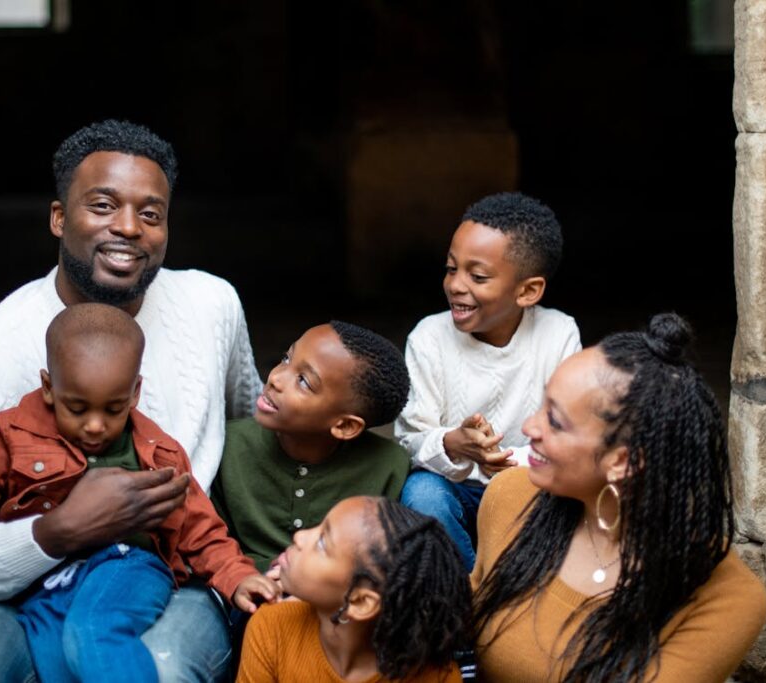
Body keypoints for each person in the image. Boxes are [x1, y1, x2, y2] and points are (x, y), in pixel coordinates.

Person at [0, 120, 262, 683]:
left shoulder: (210, 306)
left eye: (151, 214)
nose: (128, 227)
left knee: (165, 670)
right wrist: (57, 531)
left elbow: (255, 427)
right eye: (102, 206)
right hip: (20, 595)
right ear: (58, 218)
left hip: (167, 576)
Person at [0, 304, 276, 682]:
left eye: (113, 409)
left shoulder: (159, 453)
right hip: (48, 582)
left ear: (134, 393)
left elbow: (199, 528)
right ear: (49, 387)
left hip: (128, 564)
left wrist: (236, 576)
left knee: (93, 630)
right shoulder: (9, 435)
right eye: (78, 408)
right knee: (54, 655)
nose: (96, 425)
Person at [470, 314, 766, 682]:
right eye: (542, 405)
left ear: (623, 462)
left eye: (555, 421)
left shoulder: (727, 597)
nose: (529, 427)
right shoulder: (511, 496)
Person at [395, 192, 581, 568]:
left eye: (477, 276)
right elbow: (408, 440)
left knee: (569, 499)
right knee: (422, 495)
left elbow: (570, 431)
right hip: (454, 488)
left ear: (527, 291)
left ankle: (520, 585)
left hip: (530, 485)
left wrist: (508, 461)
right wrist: (453, 443)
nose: (455, 285)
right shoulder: (429, 338)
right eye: (451, 269)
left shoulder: (558, 333)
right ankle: (470, 589)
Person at [212, 321, 411, 572]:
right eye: (286, 359)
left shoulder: (389, 466)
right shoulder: (226, 445)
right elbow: (210, 543)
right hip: (236, 582)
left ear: (345, 426)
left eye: (304, 381)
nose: (275, 378)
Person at [237, 497, 473, 682]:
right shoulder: (272, 627)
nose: (299, 536)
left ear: (360, 602)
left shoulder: (437, 677)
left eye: (322, 543)